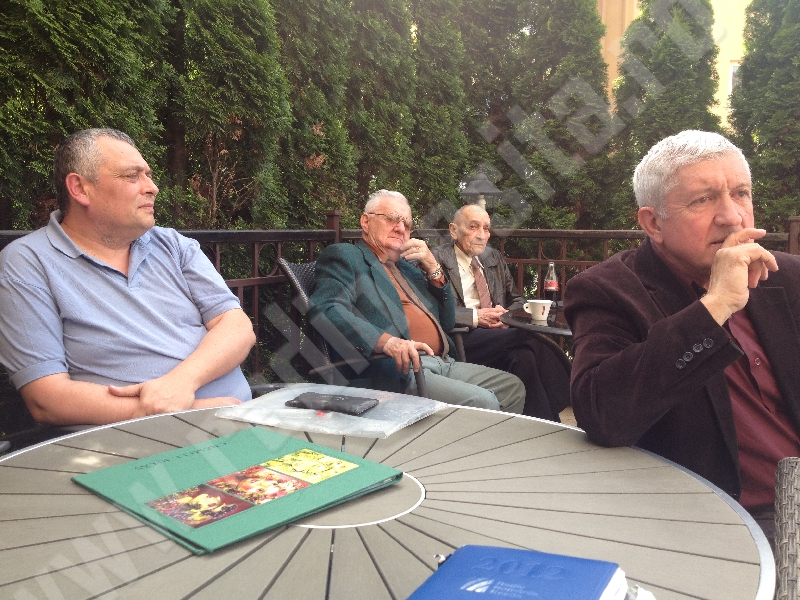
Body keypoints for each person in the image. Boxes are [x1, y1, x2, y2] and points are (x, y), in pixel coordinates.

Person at [564, 130, 800, 540]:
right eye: (703, 199)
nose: (732, 217)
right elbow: (601, 413)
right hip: (735, 523)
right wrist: (715, 306)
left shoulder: (788, 276)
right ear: (653, 223)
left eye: (741, 194)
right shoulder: (608, 290)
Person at [0, 128, 256, 426]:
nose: (152, 188)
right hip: (137, 442)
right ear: (80, 188)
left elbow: (236, 326)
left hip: (240, 421)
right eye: (132, 176)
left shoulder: (172, 245)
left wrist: (182, 381)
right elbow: (46, 399)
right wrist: (182, 410)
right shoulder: (28, 262)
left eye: (148, 175)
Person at [308, 190, 525, 412]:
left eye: (407, 224)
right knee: (483, 401)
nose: (400, 228)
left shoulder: (407, 268)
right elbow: (326, 309)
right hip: (397, 369)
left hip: (442, 361)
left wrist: (434, 270)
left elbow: (447, 321)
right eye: (391, 219)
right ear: (366, 221)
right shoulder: (346, 256)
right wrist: (387, 342)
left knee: (513, 388)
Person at [432, 204, 570, 421]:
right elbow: (432, 309)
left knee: (524, 358)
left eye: (486, 228)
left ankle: (543, 424)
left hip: (501, 336)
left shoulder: (493, 257)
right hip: (462, 336)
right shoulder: (435, 260)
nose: (482, 235)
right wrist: (476, 317)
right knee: (528, 335)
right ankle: (575, 395)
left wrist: (504, 315)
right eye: (473, 227)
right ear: (453, 230)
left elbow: (518, 300)